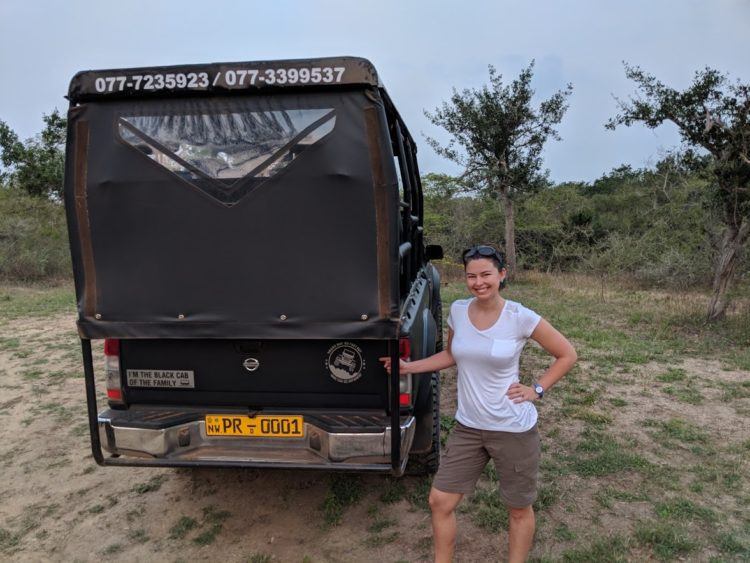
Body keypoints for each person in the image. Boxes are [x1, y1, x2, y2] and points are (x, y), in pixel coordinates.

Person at [380, 245, 577, 563]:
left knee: (517, 509)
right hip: (469, 427)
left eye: (486, 274)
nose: (478, 282)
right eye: (471, 276)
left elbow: (567, 354)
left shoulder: (519, 316)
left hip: (512, 429)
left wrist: (536, 389)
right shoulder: (458, 310)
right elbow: (451, 355)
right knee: (440, 501)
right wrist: (408, 366)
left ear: (502, 274)